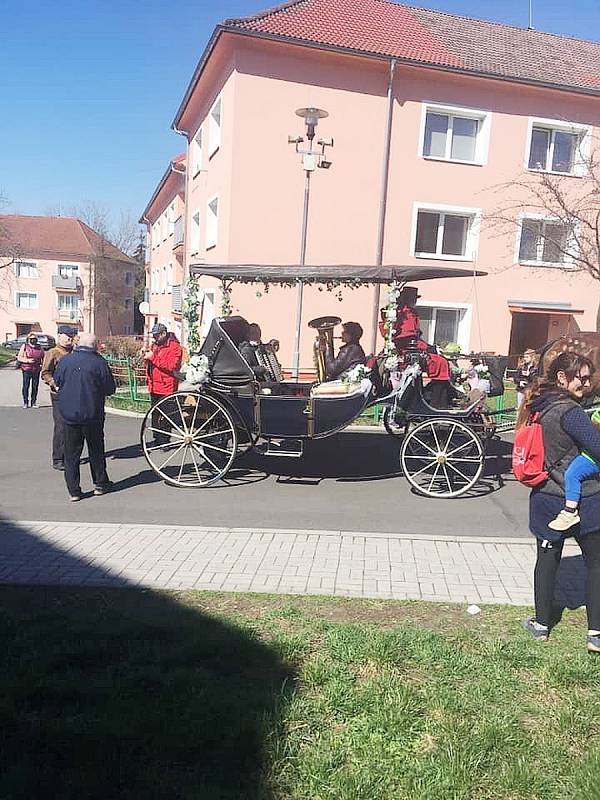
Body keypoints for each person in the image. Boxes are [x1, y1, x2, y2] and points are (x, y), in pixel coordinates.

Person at [517, 352, 600, 652]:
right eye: (582, 377)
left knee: (547, 561)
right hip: (587, 500)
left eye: (590, 377)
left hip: (547, 497)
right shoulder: (571, 412)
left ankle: (541, 624)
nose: (587, 383)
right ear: (562, 377)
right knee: (596, 565)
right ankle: (596, 634)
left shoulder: (539, 405)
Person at [53, 332, 116, 501]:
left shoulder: (66, 360)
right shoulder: (99, 363)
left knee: (71, 453)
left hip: (69, 414)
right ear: (95, 346)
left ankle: (74, 491)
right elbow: (110, 388)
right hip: (92, 413)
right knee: (96, 450)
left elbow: (57, 381)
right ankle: (100, 484)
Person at [547, 408, 600, 531]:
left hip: (591, 458)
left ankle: (570, 511)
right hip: (588, 453)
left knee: (572, 475)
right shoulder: (596, 413)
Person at [41, 325, 77, 470]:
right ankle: (58, 458)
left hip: (74, 393)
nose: (69, 338)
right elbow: (45, 372)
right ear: (59, 335)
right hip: (59, 394)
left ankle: (69, 455)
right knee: (61, 426)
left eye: (71, 336)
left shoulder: (75, 352)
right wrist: (53, 383)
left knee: (72, 426)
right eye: (67, 335)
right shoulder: (53, 352)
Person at [143, 323, 183, 445]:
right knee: (155, 414)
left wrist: (153, 357)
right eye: (154, 336)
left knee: (166, 415)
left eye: (156, 335)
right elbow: (150, 362)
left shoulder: (175, 347)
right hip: (154, 385)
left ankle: (165, 440)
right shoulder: (155, 345)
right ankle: (157, 438)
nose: (154, 338)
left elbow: (172, 366)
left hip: (167, 386)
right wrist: (145, 356)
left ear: (164, 334)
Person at [17, 332, 44, 408]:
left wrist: (42, 364)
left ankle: (34, 402)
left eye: (34, 339)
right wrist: (28, 361)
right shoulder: (25, 346)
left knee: (35, 386)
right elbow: (19, 357)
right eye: (31, 339)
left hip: (36, 369)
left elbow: (43, 358)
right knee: (26, 386)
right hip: (27, 369)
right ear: (28, 339)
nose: (33, 340)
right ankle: (25, 402)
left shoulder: (39, 347)